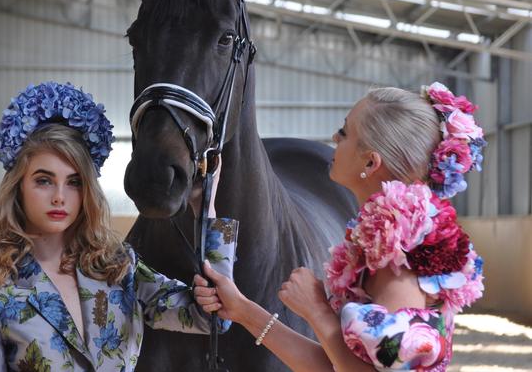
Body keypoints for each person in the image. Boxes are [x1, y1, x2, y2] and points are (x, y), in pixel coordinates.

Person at [194, 82, 485, 371]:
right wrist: (243, 310)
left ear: (370, 163)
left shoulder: (400, 256)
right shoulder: (384, 238)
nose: (334, 137)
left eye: (344, 132)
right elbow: (333, 366)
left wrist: (317, 310)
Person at [0, 81, 237, 371]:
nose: (59, 197)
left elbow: (214, 317)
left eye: (74, 182)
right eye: (43, 180)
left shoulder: (119, 269)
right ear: (19, 189)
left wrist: (208, 211)